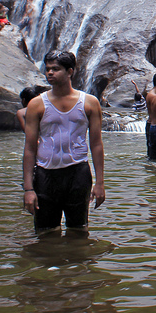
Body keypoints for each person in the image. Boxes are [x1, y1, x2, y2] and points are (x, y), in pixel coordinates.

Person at [22, 51, 104, 233]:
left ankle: (77, 259)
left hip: (78, 173)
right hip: (45, 174)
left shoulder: (90, 103)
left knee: (79, 229)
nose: (50, 73)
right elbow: (29, 148)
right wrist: (28, 188)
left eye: (56, 69)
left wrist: (100, 183)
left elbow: (96, 144)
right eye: (48, 69)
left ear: (70, 71)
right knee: (45, 231)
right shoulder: (36, 104)